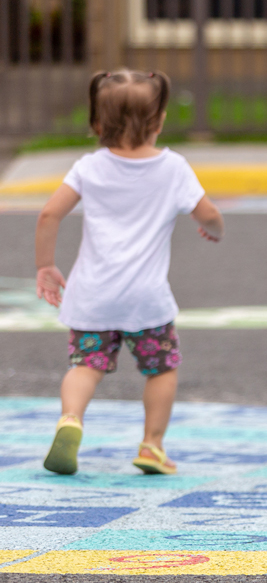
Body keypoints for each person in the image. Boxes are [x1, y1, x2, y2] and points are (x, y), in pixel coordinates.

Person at [34, 70, 224, 476]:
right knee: (161, 369)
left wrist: (46, 265)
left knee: (85, 365)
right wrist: (214, 229)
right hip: (147, 301)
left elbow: (49, 214)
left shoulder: (89, 167)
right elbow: (208, 213)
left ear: (97, 123)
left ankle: (71, 419)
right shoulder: (173, 168)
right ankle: (152, 445)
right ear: (159, 121)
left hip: (93, 297)